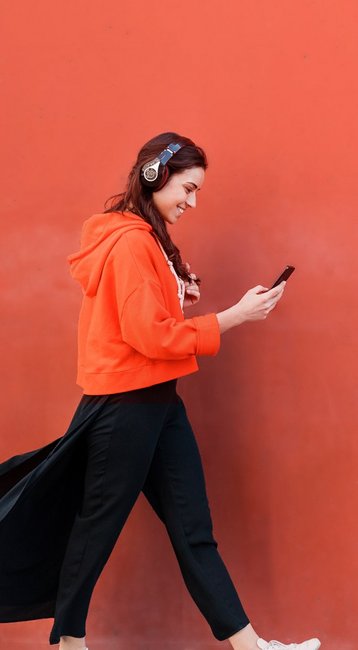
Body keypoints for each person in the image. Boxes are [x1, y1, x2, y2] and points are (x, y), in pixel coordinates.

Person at [0, 132, 321, 650]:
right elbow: (148, 337)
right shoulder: (130, 243)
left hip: (157, 403)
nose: (191, 203)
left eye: (198, 193)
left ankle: (251, 647)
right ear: (155, 175)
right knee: (95, 531)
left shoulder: (145, 242)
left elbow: (147, 325)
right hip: (125, 407)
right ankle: (69, 644)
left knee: (193, 530)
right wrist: (233, 317)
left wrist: (177, 295)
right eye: (187, 189)